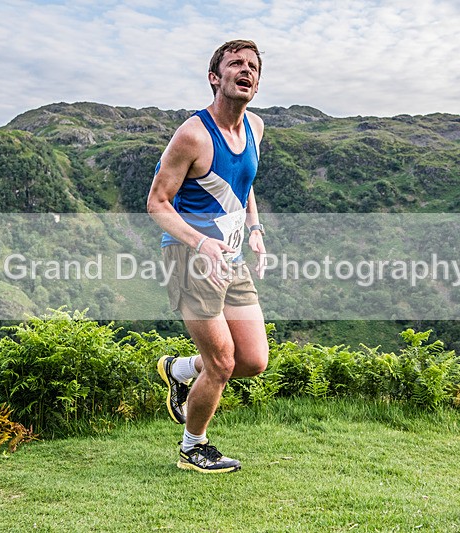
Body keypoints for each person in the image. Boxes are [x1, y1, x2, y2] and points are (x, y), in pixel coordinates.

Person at [146, 39, 269, 473]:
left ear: (257, 82)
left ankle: (180, 370)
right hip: (188, 256)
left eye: (253, 65)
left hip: (230, 257)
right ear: (215, 78)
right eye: (235, 63)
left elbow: (243, 183)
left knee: (253, 360)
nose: (246, 70)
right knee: (222, 361)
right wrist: (200, 243)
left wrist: (254, 229)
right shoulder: (192, 135)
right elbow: (157, 203)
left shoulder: (255, 127)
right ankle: (192, 447)